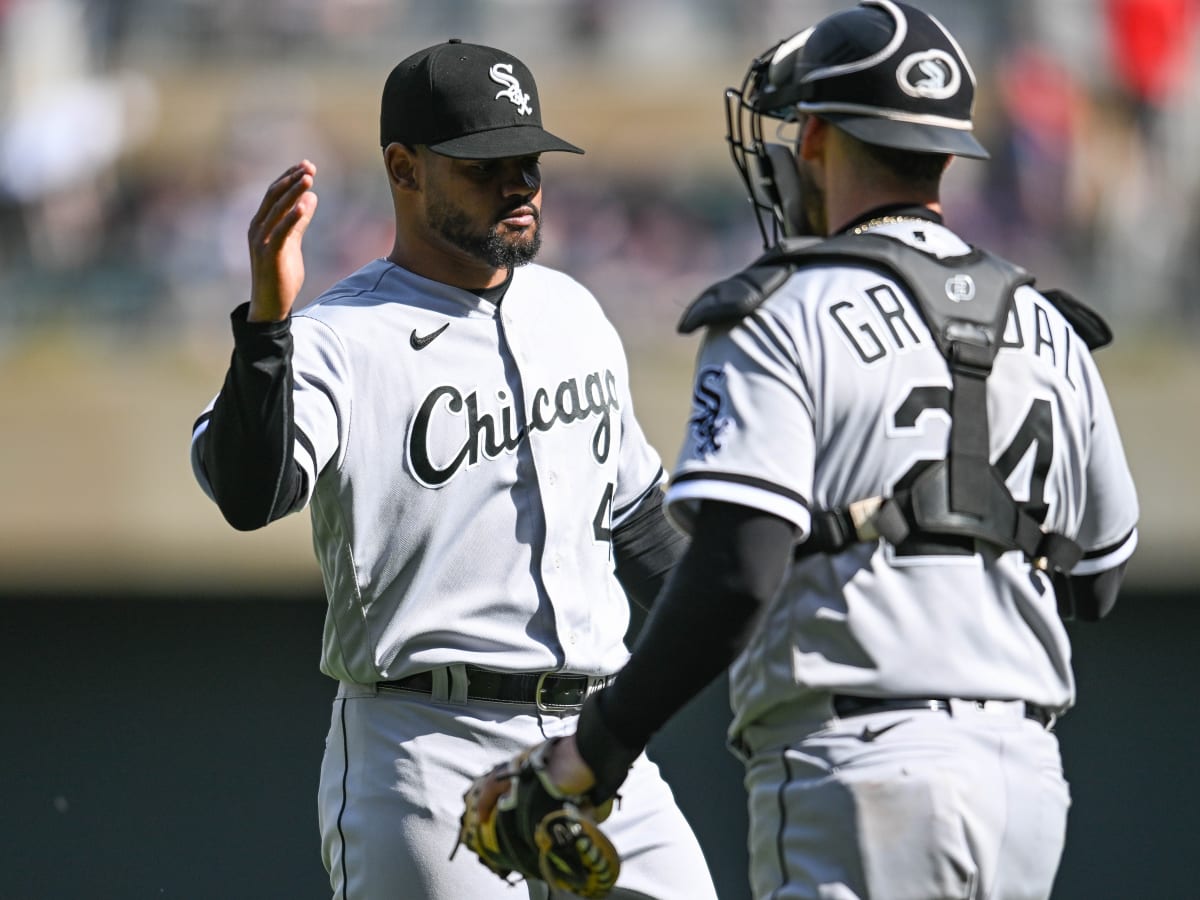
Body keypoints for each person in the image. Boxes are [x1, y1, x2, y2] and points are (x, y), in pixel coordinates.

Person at [523, 3, 1141, 898]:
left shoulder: (782, 310)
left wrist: (598, 746)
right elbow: (1099, 579)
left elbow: (735, 572)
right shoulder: (1049, 324)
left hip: (861, 770)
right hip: (1026, 783)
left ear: (814, 136)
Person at [189, 39, 718, 900]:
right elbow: (250, 494)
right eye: (485, 164)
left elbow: (638, 526)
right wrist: (266, 325)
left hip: (593, 747)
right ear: (404, 168)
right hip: (428, 741)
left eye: (529, 160)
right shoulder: (338, 338)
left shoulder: (574, 311)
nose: (519, 184)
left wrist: (763, 633)